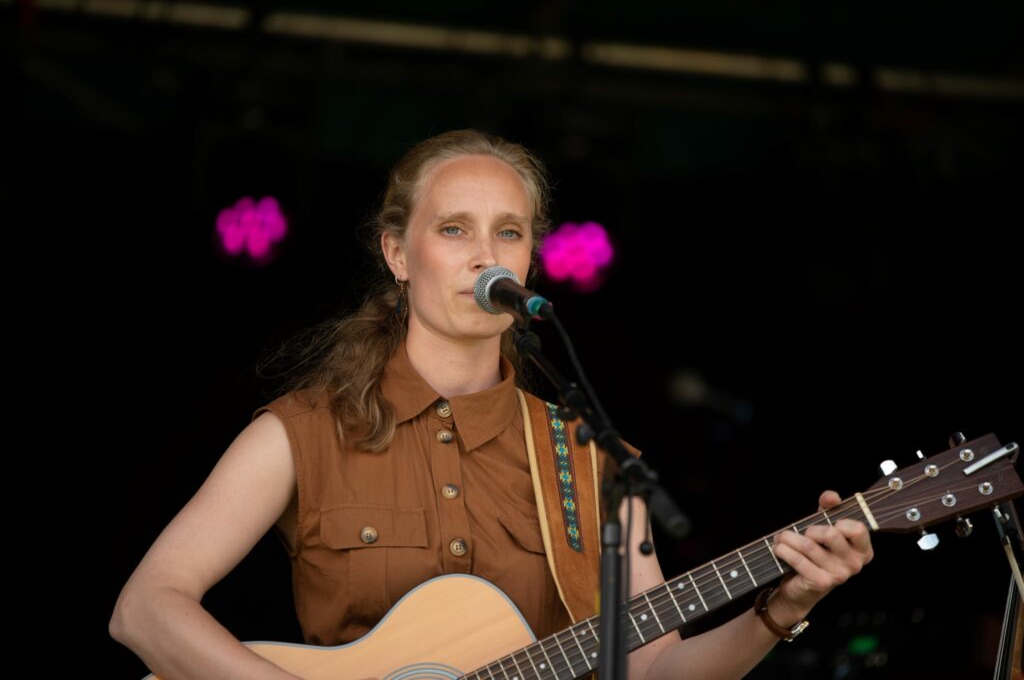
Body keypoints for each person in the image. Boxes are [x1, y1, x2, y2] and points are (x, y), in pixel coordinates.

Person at [109, 129, 874, 679]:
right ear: (398, 254)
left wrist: (781, 607)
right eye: (453, 229)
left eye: (508, 232)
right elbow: (145, 609)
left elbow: (652, 671)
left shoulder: (590, 458)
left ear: (529, 260)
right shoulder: (301, 432)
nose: (484, 254)